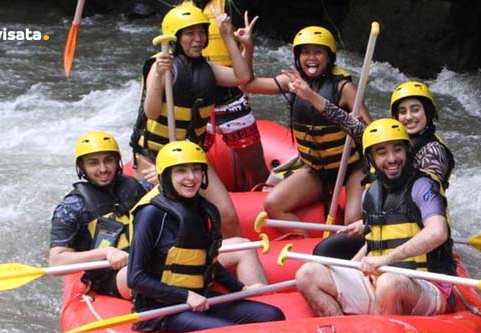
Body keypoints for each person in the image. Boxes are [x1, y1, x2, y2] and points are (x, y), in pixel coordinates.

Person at [295, 119, 457, 317]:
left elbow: (438, 232)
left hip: (426, 285)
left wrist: (387, 259)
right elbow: (375, 241)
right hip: (380, 281)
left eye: (397, 149)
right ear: (371, 159)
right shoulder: (371, 194)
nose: (391, 159)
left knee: (390, 283)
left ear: (407, 151)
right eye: (381, 152)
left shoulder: (423, 186)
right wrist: (351, 269)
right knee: (307, 274)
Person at [128, 140, 285, 333]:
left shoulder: (202, 209)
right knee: (229, 332)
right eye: (181, 171)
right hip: (160, 309)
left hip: (202, 298)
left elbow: (206, 261)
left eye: (196, 170)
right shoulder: (150, 214)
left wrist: (240, 289)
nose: (191, 177)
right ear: (166, 175)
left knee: (272, 315)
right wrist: (185, 295)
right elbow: (136, 277)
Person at [292, 79, 455, 258]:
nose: (408, 117)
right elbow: (349, 123)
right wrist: (311, 96)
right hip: (381, 225)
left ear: (428, 111)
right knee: (325, 250)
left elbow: (418, 197)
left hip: (412, 228)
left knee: (331, 252)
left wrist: (369, 223)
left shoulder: (433, 151)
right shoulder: (391, 139)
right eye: (402, 111)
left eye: (415, 109)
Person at [129, 4, 252, 237]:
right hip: (154, 157)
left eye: (201, 33)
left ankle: (229, 263)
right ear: (175, 37)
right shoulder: (160, 65)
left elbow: (242, 77)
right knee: (170, 222)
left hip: (190, 157)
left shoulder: (208, 69)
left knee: (226, 214)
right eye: (190, 34)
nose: (198, 39)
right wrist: (157, 77)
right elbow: (152, 112)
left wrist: (228, 36)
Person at [242, 26, 372, 235]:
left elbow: (371, 136)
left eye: (318, 52)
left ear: (329, 57)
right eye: (305, 52)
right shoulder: (291, 83)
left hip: (351, 168)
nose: (311, 58)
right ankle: (306, 245)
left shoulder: (344, 88)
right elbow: (248, 84)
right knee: (273, 204)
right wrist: (247, 48)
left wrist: (350, 120)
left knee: (352, 219)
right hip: (316, 169)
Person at [49, 131, 148, 300]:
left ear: (118, 162)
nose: (103, 169)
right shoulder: (72, 207)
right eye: (93, 163)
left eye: (108, 160)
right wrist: (106, 252)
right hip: (109, 275)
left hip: (148, 260)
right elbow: (57, 261)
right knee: (133, 276)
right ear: (82, 167)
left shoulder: (141, 188)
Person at [189, 0, 269, 191]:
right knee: (189, 166)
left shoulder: (231, 6)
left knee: (258, 172)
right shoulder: (180, 12)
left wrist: (247, 46)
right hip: (197, 105)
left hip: (231, 101)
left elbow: (245, 75)